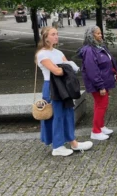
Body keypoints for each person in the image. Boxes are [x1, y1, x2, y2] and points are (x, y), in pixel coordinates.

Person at [36, 27, 92, 156]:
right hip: (51, 86)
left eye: (57, 34)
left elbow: (65, 69)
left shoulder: (58, 52)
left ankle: (73, 142)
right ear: (46, 37)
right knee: (56, 115)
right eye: (53, 34)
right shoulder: (42, 54)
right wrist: (67, 66)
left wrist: (65, 67)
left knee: (68, 113)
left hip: (63, 85)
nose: (56, 36)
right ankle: (57, 146)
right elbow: (57, 71)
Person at [79, 26, 117, 140]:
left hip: (103, 81)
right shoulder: (89, 50)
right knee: (101, 105)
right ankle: (95, 131)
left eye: (100, 33)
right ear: (91, 35)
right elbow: (92, 70)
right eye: (97, 33)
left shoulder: (99, 46)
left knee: (101, 105)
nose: (101, 35)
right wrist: (100, 85)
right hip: (98, 83)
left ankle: (100, 126)